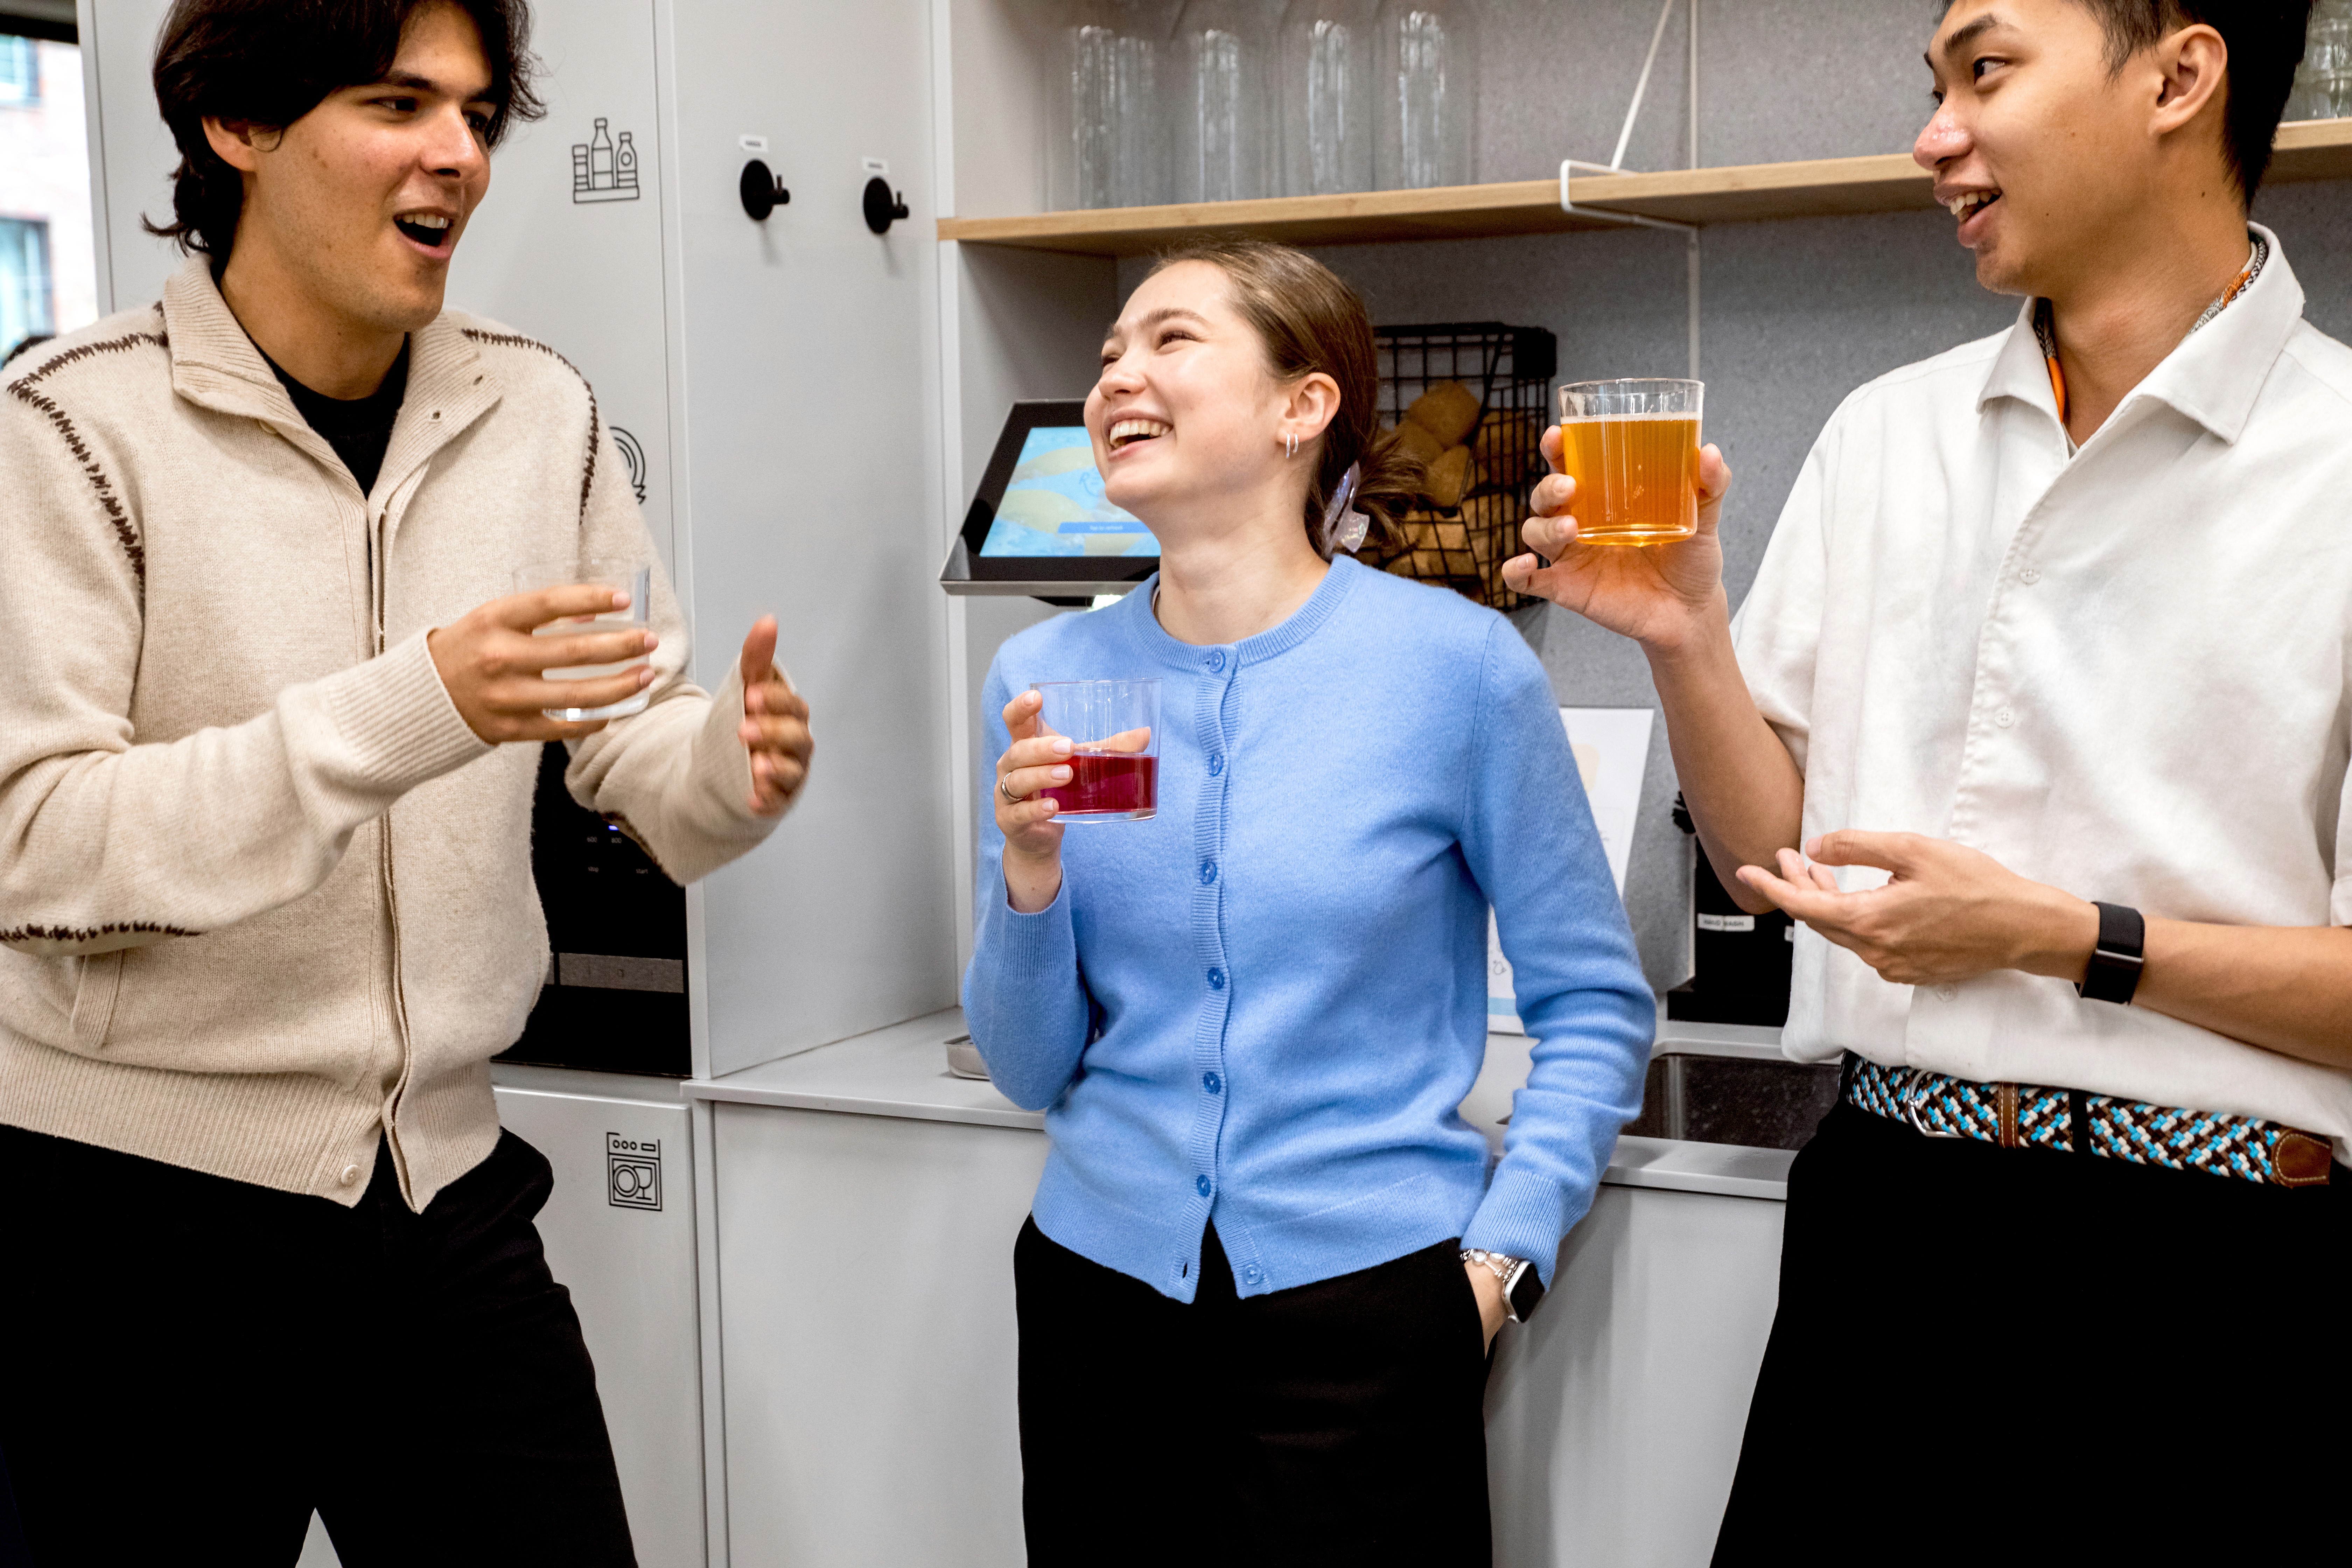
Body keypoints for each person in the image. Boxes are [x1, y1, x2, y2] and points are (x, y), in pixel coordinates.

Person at [1507, 0, 2348, 1557]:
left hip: (2225, 1266)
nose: (1935, 135)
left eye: (1986, 71)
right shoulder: (1886, 435)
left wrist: (2053, 936)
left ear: (2180, 74)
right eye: (1936, 84)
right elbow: (1780, 860)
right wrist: (1687, 635)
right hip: (1890, 1222)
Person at [0, 1, 811, 1561]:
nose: (460, 154)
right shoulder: (67, 427)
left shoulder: (535, 409)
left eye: (480, 113)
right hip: (125, 1219)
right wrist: (412, 705)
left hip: (439, 1188)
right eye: (398, 103)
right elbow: (36, 847)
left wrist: (729, 767)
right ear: (237, 127)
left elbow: (629, 737)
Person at [962, 238, 1654, 1566]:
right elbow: (1026, 1065)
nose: (1119, 374)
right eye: (1109, 351)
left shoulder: (1456, 669)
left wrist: (1499, 1267)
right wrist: (1030, 879)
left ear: (1303, 407)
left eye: (1171, 341)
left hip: (1373, 1320)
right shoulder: (1044, 674)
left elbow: (1595, 1005)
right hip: (1097, 1308)